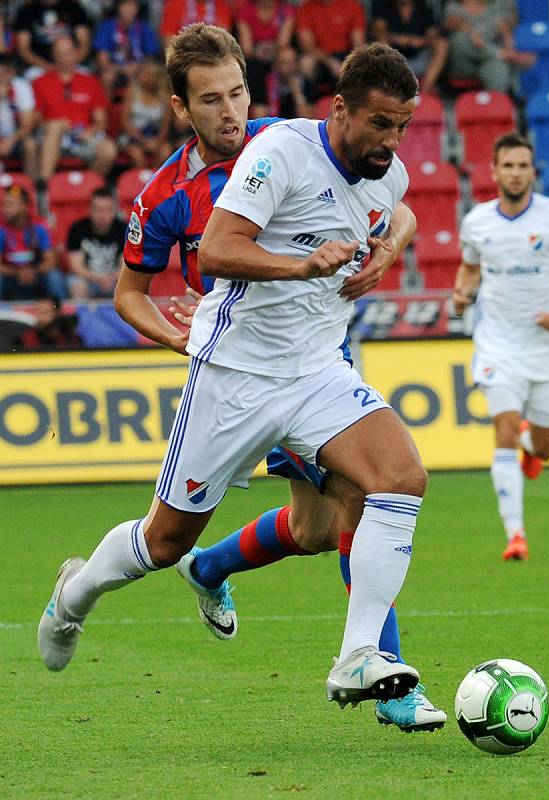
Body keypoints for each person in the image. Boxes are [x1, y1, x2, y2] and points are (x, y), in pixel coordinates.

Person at [40, 27, 444, 731]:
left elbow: (398, 208)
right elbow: (220, 250)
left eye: (402, 127)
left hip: (316, 368)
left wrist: (388, 250)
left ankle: (362, 661)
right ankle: (74, 597)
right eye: (382, 124)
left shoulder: (384, 167)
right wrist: (302, 267)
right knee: (164, 542)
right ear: (343, 110)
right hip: (235, 373)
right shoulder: (270, 155)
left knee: (394, 481)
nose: (392, 141)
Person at [453, 132, 549, 561]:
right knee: (505, 430)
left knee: (545, 447)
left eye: (523, 166)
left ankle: (534, 450)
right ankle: (515, 534)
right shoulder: (477, 221)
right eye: (508, 166)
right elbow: (469, 269)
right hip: (497, 343)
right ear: (494, 171)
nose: (515, 173)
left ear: (533, 171)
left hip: (547, 346)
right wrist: (462, 292)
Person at [32, 35, 117, 185]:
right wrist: (57, 125)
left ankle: (85, 187)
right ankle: (44, 188)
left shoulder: (90, 81)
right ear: (53, 55)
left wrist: (89, 131)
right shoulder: (40, 82)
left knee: (108, 150)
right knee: (54, 128)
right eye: (60, 53)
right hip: (50, 136)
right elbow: (36, 119)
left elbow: (101, 120)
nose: (64, 58)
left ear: (76, 54)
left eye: (68, 52)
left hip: (82, 135)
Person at [443, 0, 534, 92]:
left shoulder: (492, 7)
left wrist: (509, 48)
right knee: (461, 38)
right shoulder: (453, 6)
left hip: (488, 58)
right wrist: (472, 34)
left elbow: (505, 32)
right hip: (462, 62)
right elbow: (454, 22)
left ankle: (497, 101)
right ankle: (506, 55)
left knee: (499, 67)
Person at [0, 184, 64, 300]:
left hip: (36, 275)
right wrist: (17, 272)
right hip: (10, 276)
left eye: (11, 204)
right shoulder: (1, 228)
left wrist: (33, 271)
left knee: (54, 277)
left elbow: (51, 261)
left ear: (25, 207)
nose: (5, 209)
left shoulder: (40, 226)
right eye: (4, 204)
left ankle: (59, 315)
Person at [371, 0, 448, 95]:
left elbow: (432, 35)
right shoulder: (384, 7)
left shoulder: (423, 7)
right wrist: (397, 39)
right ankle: (392, 91)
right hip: (393, 60)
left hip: (419, 56)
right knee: (381, 43)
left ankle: (425, 91)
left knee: (441, 44)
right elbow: (377, 32)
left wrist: (420, 41)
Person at [66, 188, 127, 298]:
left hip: (114, 280)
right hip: (88, 280)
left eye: (107, 209)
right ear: (90, 209)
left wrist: (111, 278)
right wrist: (98, 279)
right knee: (76, 284)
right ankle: (82, 316)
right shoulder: (77, 229)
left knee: (130, 285)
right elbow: (76, 266)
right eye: (98, 209)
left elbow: (125, 265)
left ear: (114, 210)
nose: (102, 215)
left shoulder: (124, 230)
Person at [295, 0, 366, 92]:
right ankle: (311, 102)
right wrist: (329, 62)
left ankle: (357, 101)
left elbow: (358, 44)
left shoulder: (352, 5)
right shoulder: (306, 8)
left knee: (364, 60)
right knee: (306, 62)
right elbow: (307, 46)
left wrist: (348, 64)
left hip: (346, 55)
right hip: (320, 57)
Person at [12, 0, 91, 76]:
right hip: (39, 67)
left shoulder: (75, 9)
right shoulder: (27, 11)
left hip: (73, 65)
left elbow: (84, 44)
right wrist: (47, 66)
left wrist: (67, 65)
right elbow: (23, 48)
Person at [119, 59, 173, 168]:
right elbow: (125, 121)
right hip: (132, 136)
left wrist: (156, 142)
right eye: (142, 74)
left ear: (156, 79)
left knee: (165, 152)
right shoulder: (132, 92)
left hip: (155, 136)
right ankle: (141, 182)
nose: (143, 78)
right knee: (137, 155)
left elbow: (165, 127)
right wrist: (141, 140)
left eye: (148, 75)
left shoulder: (165, 97)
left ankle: (155, 180)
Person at [0, 54, 38, 176]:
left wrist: (11, 140)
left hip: (15, 138)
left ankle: (33, 189)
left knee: (30, 145)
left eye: (7, 71)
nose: (4, 75)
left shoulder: (21, 86)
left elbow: (27, 125)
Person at [14, 293, 82, 349]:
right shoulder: (24, 340)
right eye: (37, 312)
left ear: (57, 314)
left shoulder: (71, 340)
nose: (40, 318)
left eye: (45, 312)